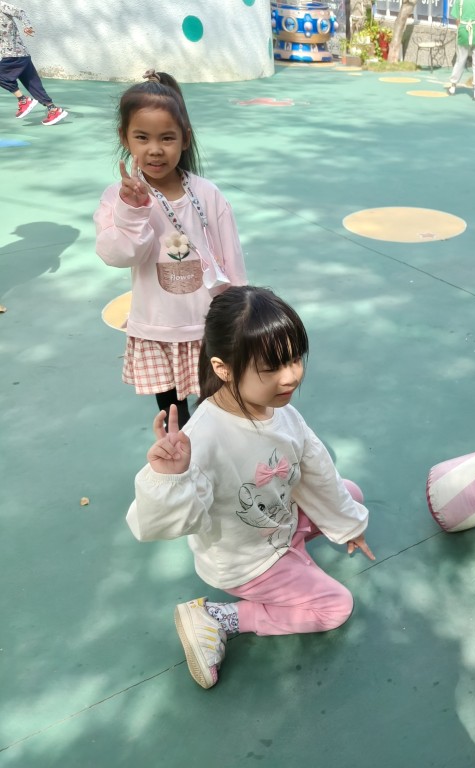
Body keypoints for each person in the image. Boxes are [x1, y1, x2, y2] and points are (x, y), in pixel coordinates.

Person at [126, 286, 375, 689]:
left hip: (275, 523)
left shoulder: (280, 412)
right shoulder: (203, 439)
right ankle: (220, 617)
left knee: (350, 493)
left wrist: (349, 524)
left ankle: (294, 556)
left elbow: (316, 469)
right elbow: (157, 524)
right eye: (272, 367)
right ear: (224, 368)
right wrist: (171, 478)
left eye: (294, 358)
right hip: (245, 561)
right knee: (335, 606)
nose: (291, 375)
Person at [95, 71, 247, 428]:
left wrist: (241, 314)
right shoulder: (118, 198)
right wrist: (132, 211)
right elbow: (118, 255)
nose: (155, 149)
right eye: (142, 137)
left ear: (185, 138)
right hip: (158, 330)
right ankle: (181, 458)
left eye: (167, 138)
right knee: (174, 418)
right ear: (124, 137)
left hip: (210, 328)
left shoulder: (207, 193)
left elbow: (232, 260)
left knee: (220, 412)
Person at [0, 2, 67, 125]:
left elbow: (20, 12)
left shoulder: (1, 6)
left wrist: (27, 26)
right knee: (33, 85)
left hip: (14, 54)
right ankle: (53, 109)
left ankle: (23, 100)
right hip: (21, 55)